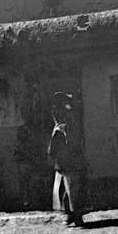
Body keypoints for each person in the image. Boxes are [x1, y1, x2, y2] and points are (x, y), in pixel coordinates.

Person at [47, 92, 86, 227]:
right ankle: (72, 215)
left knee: (69, 190)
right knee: (70, 189)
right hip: (73, 160)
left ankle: (75, 216)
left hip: (65, 163)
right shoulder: (74, 123)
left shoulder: (59, 129)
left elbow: (51, 150)